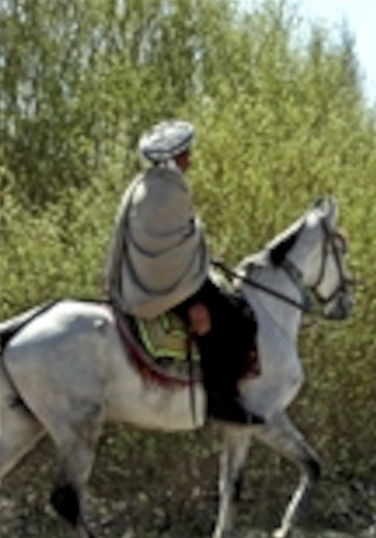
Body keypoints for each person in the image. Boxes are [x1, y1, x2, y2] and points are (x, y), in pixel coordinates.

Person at [103, 119, 263, 425]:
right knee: (238, 320)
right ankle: (221, 399)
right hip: (172, 283)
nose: (190, 158)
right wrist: (192, 300)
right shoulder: (169, 191)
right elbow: (174, 250)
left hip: (154, 276)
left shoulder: (144, 185)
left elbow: (174, 242)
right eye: (186, 153)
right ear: (174, 158)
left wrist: (197, 252)